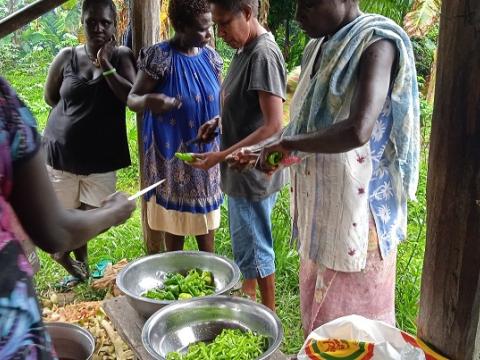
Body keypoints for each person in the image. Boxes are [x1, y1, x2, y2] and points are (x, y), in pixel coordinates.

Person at [256, 0, 420, 335]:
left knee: (357, 330)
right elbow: (308, 122)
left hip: (361, 214)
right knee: (320, 322)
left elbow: (359, 129)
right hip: (324, 207)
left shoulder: (377, 43)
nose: (300, 13)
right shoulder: (319, 46)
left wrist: (288, 145)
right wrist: (275, 153)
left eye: (310, 4)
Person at [0, 76, 135, 359]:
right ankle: (77, 269)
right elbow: (55, 232)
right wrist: (113, 211)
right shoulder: (4, 106)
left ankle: (81, 268)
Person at [190, 0, 287, 311]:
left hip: (253, 171)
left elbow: (273, 124)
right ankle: (250, 299)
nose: (220, 33)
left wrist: (219, 156)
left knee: (258, 245)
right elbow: (247, 107)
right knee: (247, 242)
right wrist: (219, 123)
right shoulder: (245, 51)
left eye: (224, 23)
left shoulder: (263, 54)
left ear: (247, 13)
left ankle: (269, 319)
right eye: (216, 26)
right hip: (239, 170)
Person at [43, 0, 136, 286]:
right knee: (66, 218)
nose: (97, 28)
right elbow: (50, 97)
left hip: (101, 159)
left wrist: (106, 64)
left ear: (115, 25)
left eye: (105, 22)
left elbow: (131, 98)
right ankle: (78, 268)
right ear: (82, 22)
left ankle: (65, 255)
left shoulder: (121, 57)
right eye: (91, 22)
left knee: (100, 217)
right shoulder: (66, 56)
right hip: (61, 155)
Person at [127, 0, 223, 253]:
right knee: (175, 240)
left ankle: (208, 284)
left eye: (210, 26)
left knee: (207, 239)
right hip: (170, 165)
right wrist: (149, 100)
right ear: (180, 26)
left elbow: (222, 101)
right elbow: (132, 99)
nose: (210, 34)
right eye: (203, 29)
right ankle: (176, 278)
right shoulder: (159, 58)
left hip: (206, 163)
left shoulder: (212, 58)